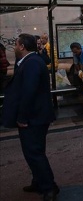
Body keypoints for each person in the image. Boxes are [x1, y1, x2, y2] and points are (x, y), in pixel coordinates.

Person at [1, 34, 59, 201]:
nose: (13, 47)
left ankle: (49, 187)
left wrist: (22, 117)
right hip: (35, 117)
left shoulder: (32, 62)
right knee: (32, 152)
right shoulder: (31, 61)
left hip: (34, 118)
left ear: (22, 47)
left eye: (16, 44)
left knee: (34, 153)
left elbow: (29, 91)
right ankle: (38, 181)